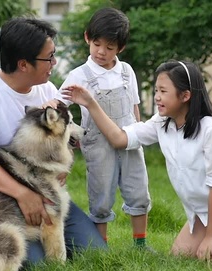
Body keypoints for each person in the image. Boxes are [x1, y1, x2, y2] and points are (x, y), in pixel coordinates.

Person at [62, 59, 212, 265]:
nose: (157, 97)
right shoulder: (162, 123)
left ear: (185, 96)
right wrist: (90, 103)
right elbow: (119, 139)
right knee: (180, 257)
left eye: (163, 91)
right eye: (156, 90)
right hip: (204, 209)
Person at [0, 17, 107, 269]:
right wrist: (23, 194)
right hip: (2, 200)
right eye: (48, 58)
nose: (54, 63)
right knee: (37, 265)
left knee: (95, 254)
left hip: (49, 196)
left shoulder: (47, 89)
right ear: (23, 64)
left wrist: (61, 171)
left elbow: (60, 137)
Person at [58, 7, 152, 248]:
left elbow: (134, 108)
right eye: (97, 44)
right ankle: (102, 245)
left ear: (120, 48)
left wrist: (138, 132)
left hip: (129, 139)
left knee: (138, 188)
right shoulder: (79, 75)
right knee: (100, 195)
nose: (102, 52)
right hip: (98, 145)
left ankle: (140, 243)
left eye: (110, 48)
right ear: (87, 37)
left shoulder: (126, 71)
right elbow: (59, 106)